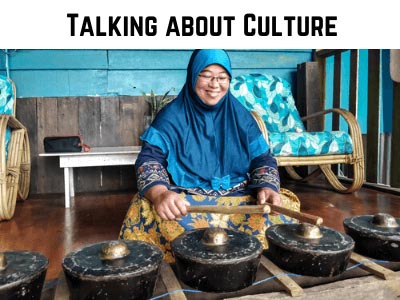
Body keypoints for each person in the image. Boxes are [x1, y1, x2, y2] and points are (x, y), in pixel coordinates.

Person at [119, 49, 299, 262]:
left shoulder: (241, 116)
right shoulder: (171, 116)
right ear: (193, 75)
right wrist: (160, 195)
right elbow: (149, 159)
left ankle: (254, 262)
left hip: (238, 198)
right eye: (206, 75)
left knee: (286, 206)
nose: (215, 84)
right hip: (188, 202)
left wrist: (267, 188)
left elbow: (262, 158)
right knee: (144, 209)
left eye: (222, 77)